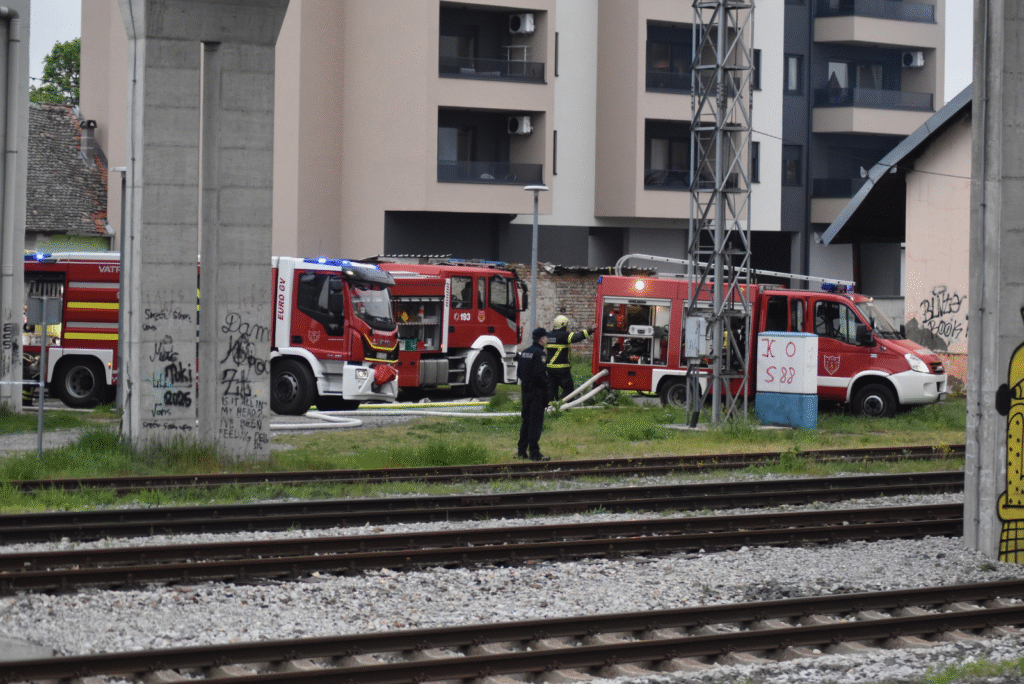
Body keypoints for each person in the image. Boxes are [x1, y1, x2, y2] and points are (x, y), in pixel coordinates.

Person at [517, 327, 550, 461]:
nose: (547, 340)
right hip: (537, 392)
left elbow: (519, 373)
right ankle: (534, 453)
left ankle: (521, 451)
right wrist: (547, 387)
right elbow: (539, 375)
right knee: (535, 423)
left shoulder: (525, 352)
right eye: (546, 337)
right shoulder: (539, 354)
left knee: (526, 421)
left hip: (525, 391)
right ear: (542, 339)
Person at [546, 315, 594, 402]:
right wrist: (591, 330)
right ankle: (564, 404)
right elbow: (577, 337)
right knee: (568, 388)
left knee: (552, 389)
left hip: (550, 368)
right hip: (562, 368)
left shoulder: (548, 335)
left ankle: (551, 406)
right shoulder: (564, 335)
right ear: (563, 325)